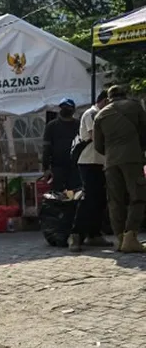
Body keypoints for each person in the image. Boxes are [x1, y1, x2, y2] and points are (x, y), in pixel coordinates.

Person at [94, 85, 146, 253]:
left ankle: (121, 238)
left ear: (108, 98)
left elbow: (98, 145)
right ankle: (131, 236)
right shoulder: (134, 106)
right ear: (125, 95)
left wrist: (111, 152)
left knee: (115, 201)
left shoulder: (100, 114)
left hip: (110, 162)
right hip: (132, 158)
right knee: (137, 196)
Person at [69, 90, 112, 251]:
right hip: (88, 161)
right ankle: (75, 234)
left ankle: (94, 233)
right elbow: (97, 137)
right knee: (89, 197)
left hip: (100, 162)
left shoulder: (103, 115)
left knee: (100, 198)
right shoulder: (92, 114)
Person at [43, 98, 81, 192]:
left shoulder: (79, 125)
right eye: (63, 107)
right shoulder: (51, 126)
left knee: (76, 194)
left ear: (73, 109)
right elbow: (46, 148)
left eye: (68, 107)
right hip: (57, 167)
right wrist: (46, 168)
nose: (65, 109)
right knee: (58, 196)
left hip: (76, 167)